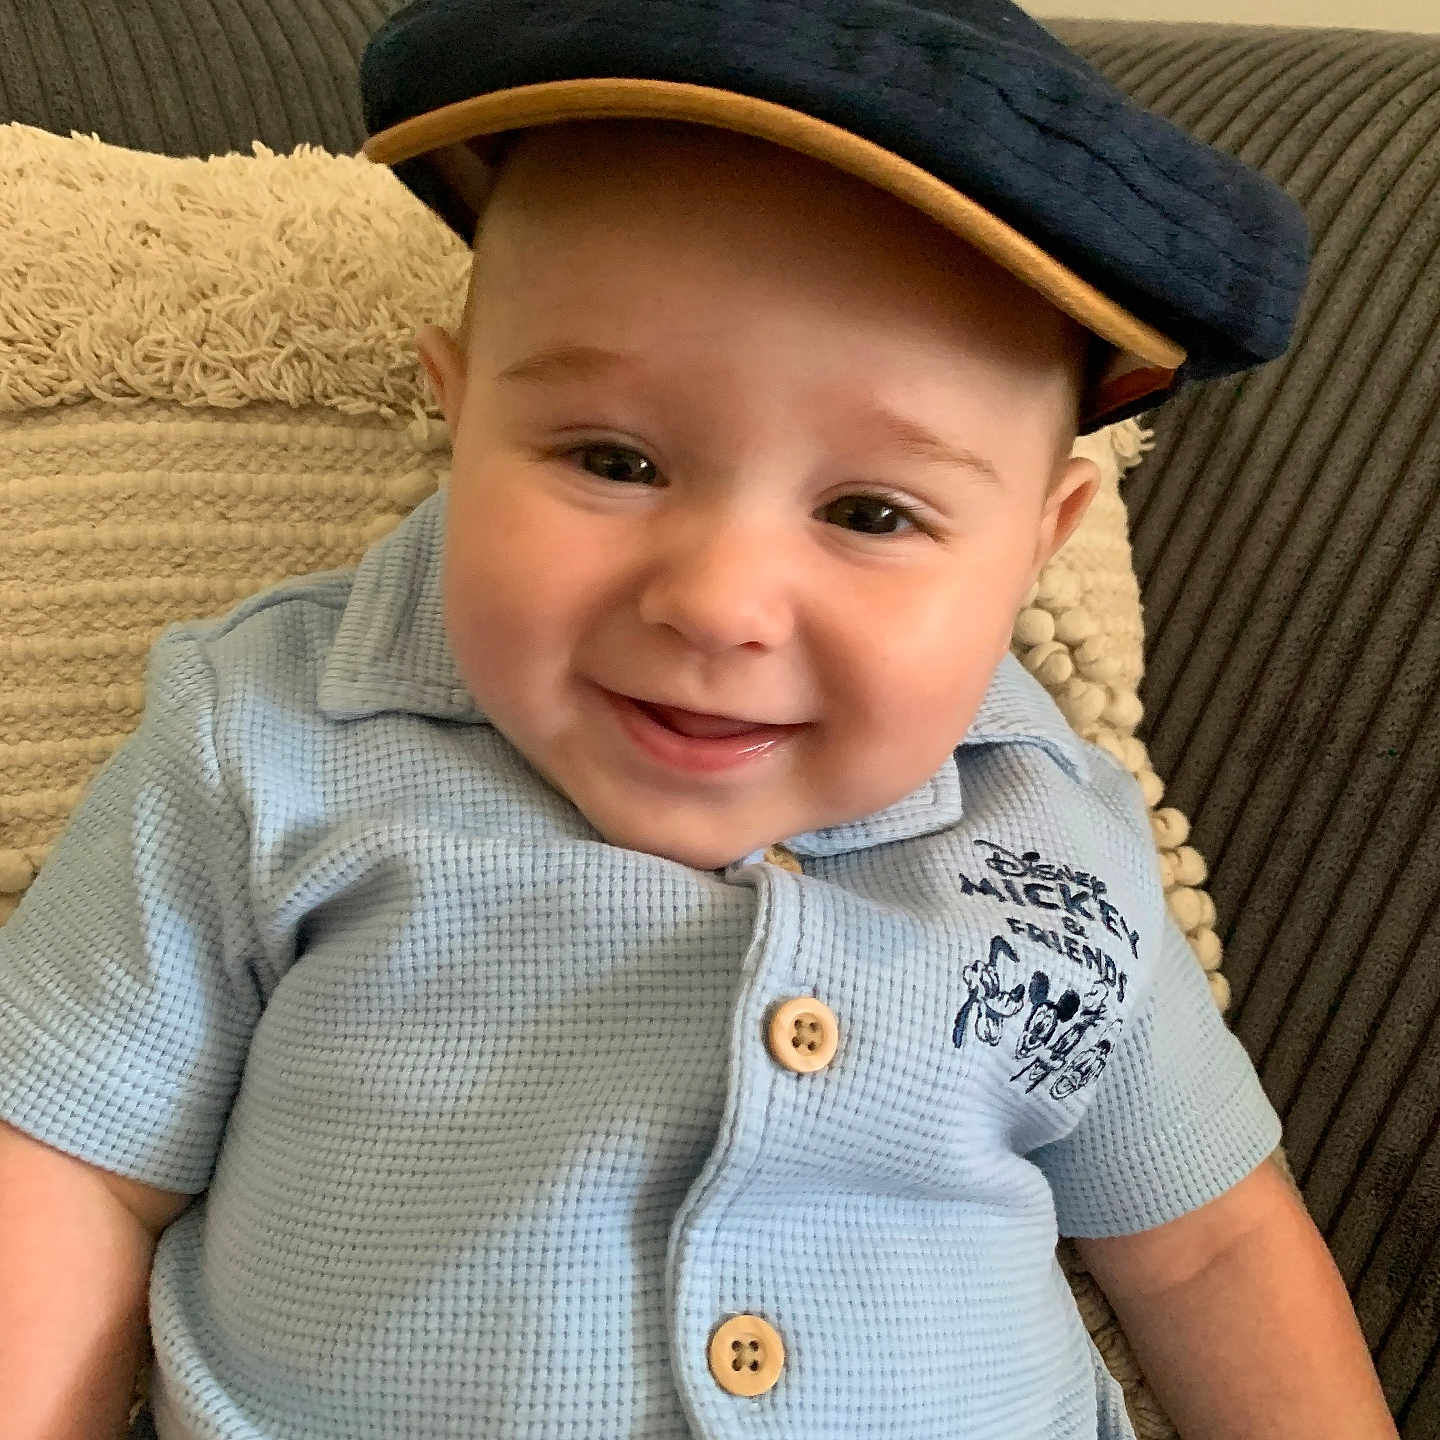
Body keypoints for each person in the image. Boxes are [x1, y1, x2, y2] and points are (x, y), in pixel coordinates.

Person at [0, 1, 1399, 1437]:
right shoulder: (272, 740)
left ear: (1037, 544)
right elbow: (70, 1163)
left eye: (871, 512)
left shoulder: (1054, 833)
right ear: (457, 414)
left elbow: (1210, 1241)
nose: (721, 602)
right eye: (613, 458)